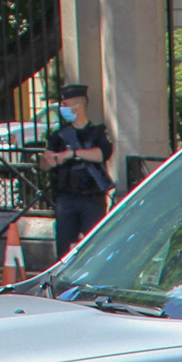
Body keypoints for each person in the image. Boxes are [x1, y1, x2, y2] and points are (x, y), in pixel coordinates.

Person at [43, 83, 115, 257]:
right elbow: (45, 165)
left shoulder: (97, 133)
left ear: (79, 106)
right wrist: (49, 159)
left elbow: (102, 154)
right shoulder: (59, 135)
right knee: (64, 249)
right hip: (66, 198)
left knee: (94, 246)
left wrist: (73, 153)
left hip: (92, 198)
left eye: (65, 105)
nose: (62, 109)